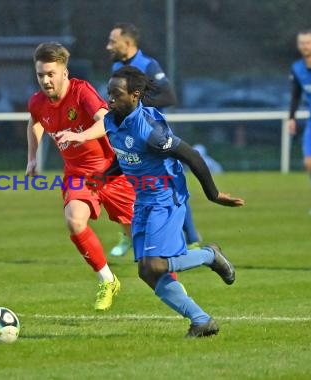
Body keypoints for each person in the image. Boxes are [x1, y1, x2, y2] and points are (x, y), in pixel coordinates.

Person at [57, 66, 245, 337]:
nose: (109, 99)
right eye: (108, 92)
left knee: (153, 265)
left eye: (116, 93)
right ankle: (201, 320)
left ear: (135, 95)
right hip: (143, 199)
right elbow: (125, 157)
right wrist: (103, 176)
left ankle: (209, 255)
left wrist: (213, 195)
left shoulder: (151, 132)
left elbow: (191, 155)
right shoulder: (112, 121)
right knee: (148, 273)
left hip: (166, 198)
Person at [26, 42, 136, 311]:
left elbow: (106, 120)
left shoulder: (81, 91)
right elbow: (35, 121)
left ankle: (179, 272)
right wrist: (32, 156)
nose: (46, 80)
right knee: (74, 221)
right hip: (78, 175)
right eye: (41, 75)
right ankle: (108, 281)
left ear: (64, 72)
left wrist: (80, 135)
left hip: (111, 172)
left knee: (143, 241)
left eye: (51, 73)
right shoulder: (37, 102)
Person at [105, 22, 201, 257]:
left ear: (127, 43)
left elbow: (169, 96)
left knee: (167, 184)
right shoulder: (117, 66)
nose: (108, 46)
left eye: (112, 41)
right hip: (128, 134)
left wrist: (136, 107)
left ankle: (193, 239)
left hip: (151, 135)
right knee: (127, 182)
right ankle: (127, 234)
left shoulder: (148, 64)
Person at [288, 29, 311, 215]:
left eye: (308, 42)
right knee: (310, 164)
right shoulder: (297, 68)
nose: (305, 46)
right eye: (302, 43)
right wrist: (291, 117)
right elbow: (295, 95)